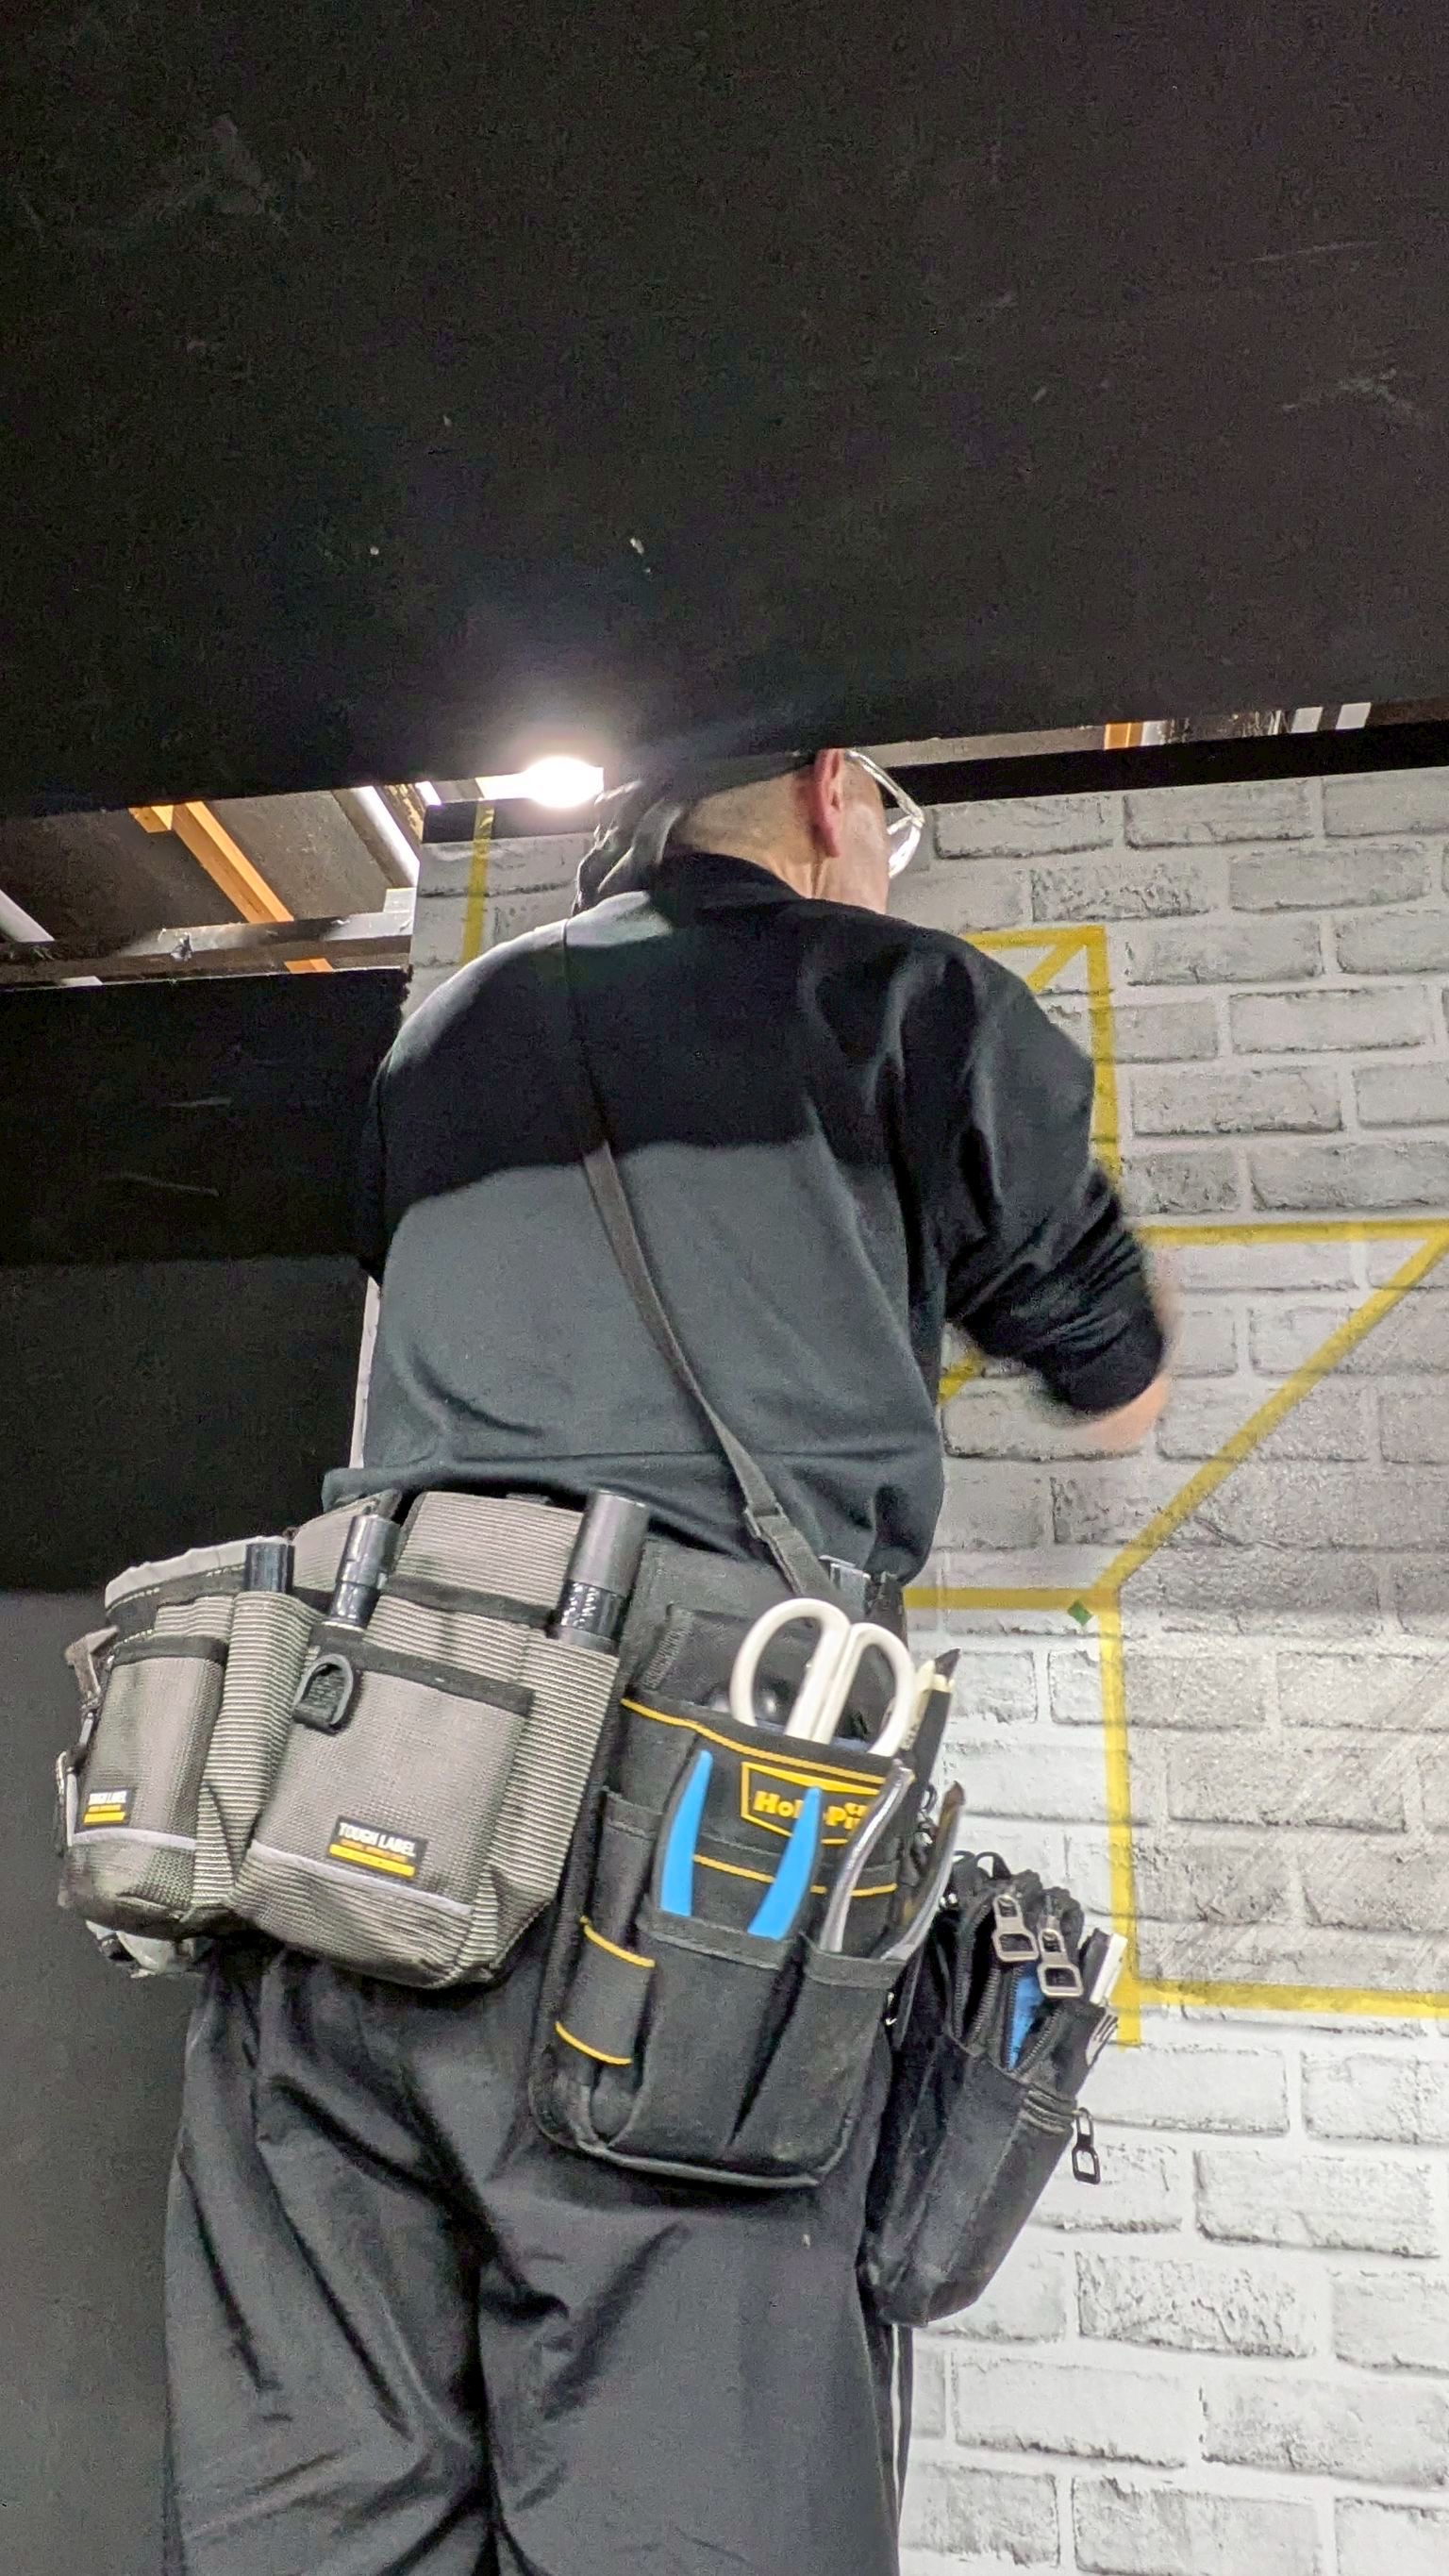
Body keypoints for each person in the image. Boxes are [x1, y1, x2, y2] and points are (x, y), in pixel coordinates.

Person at [162, 745, 1170, 2576]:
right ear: (835, 792)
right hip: (682, 1851)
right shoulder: (896, 997)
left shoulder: (445, 1033)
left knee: (314, 2504)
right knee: (694, 2501)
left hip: (335, 1782)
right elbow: (1109, 1361)